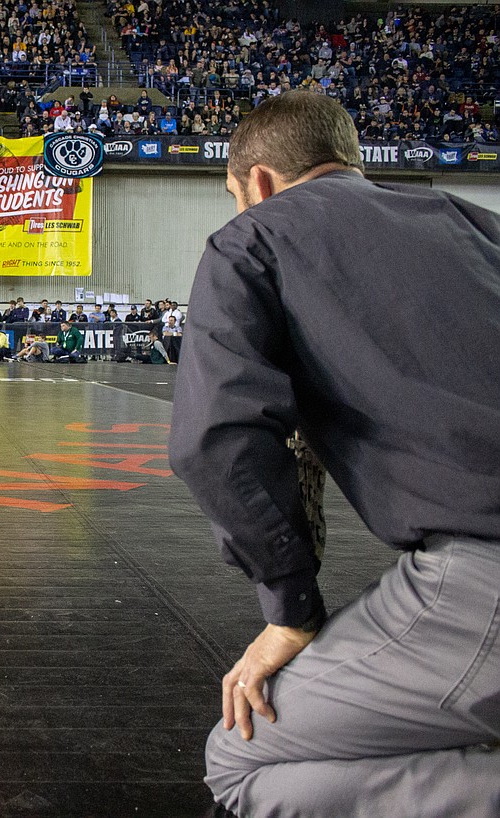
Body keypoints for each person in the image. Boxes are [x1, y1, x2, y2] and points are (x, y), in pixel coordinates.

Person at [169, 91, 500, 818]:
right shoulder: (474, 223)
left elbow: (214, 439)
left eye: (234, 197)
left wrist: (291, 609)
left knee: (240, 758)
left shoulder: (253, 238)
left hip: (484, 573)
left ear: (255, 184)